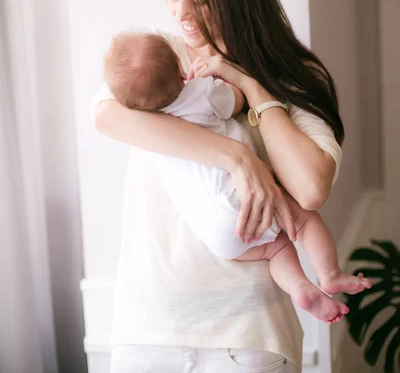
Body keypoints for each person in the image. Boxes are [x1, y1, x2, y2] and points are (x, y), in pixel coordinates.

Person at [91, 0, 347, 373]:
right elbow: (106, 119)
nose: (182, 14)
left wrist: (252, 86)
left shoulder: (293, 76)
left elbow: (311, 188)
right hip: (147, 332)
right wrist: (235, 157)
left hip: (247, 339)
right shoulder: (158, 59)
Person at [102, 31, 370, 325]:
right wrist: (234, 83)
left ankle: (300, 287)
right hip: (240, 199)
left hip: (214, 232)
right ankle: (329, 275)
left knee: (275, 248)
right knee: (304, 220)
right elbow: (237, 101)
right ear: (181, 68)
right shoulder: (201, 92)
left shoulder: (147, 124)